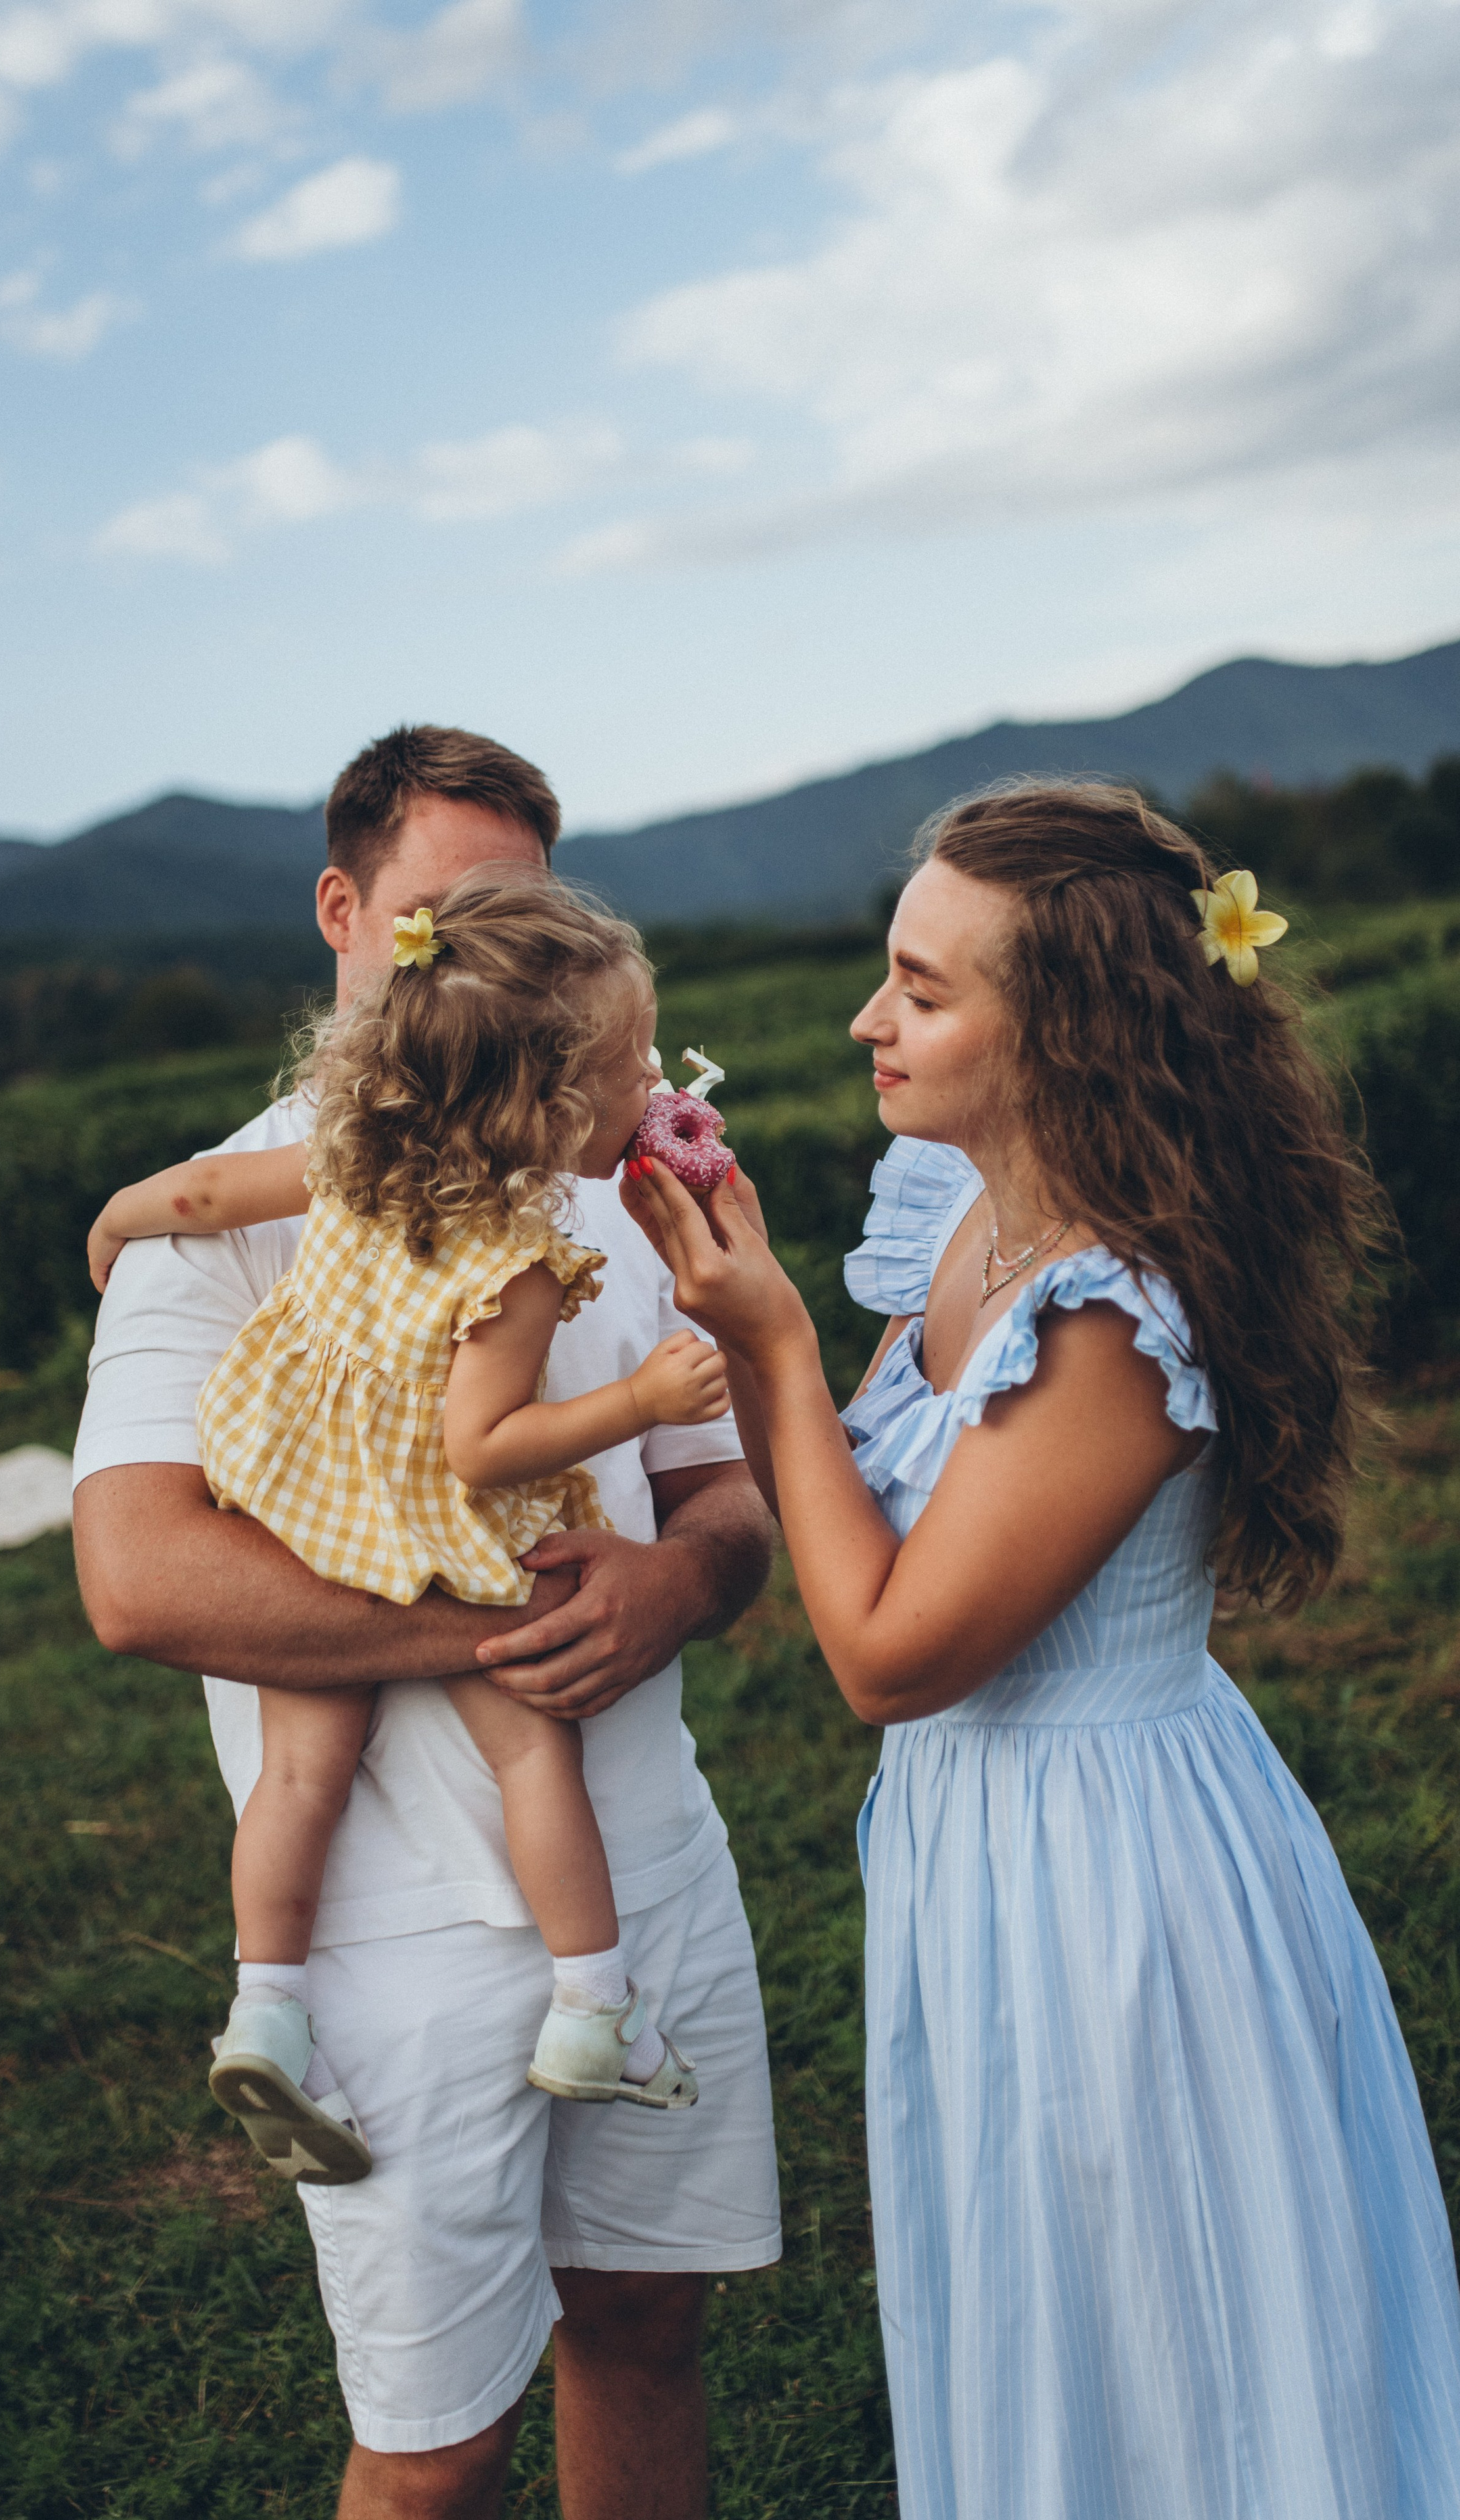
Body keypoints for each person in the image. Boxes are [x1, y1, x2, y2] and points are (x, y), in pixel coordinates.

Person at [624, 780, 1460, 2520]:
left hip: (1118, 1884)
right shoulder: (953, 1204)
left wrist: (773, 1340)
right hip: (974, 1856)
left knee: (1178, 2344)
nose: (871, 1019)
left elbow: (884, 1651)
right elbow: (858, 1509)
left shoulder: (1108, 1321)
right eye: (887, 973)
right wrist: (750, 1288)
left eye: (926, 992)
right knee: (1031, 2317)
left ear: (1070, 1032)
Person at [71, 726, 780, 2520]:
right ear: (346, 913)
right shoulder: (228, 1214)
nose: (499, 973)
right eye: (453, 920)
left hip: (649, 1871)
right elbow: (139, 1577)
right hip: (392, 1934)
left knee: (641, 2323)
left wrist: (676, 1580)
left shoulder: (610, 1187)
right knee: (433, 2450)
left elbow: (730, 1499)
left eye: (532, 924)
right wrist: (489, 1631)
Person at [85, 872, 721, 2182]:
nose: (652, 1075)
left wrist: (114, 1219)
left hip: (302, 1499)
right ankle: (595, 2010)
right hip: (429, 1523)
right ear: (547, 1108)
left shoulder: (352, 1157)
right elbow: (482, 1446)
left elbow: (201, 1198)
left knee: (296, 1774)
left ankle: (267, 2012)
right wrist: (638, 1399)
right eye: (627, 1063)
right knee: (534, 1761)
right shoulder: (522, 1260)